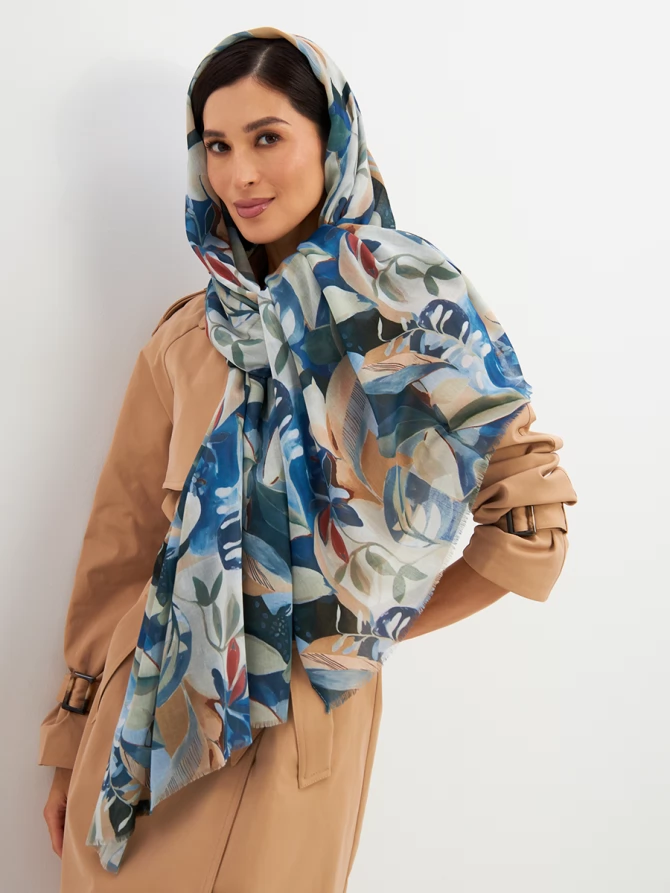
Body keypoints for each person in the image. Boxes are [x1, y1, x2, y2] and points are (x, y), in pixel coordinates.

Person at [39, 27, 578, 893]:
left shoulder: (411, 314)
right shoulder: (188, 335)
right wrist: (72, 743)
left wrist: (360, 629)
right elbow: (121, 547)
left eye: (267, 137)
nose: (239, 175)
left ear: (331, 140)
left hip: (297, 734)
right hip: (143, 726)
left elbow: (530, 524)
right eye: (217, 145)